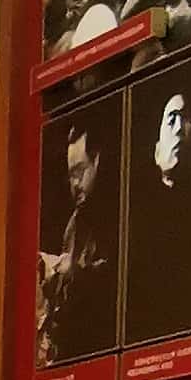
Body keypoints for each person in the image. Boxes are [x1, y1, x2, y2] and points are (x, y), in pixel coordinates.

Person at [123, 80, 191, 344]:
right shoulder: (137, 217)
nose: (179, 128)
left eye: (186, 120)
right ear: (156, 150)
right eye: (171, 120)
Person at [37, 121, 118, 364]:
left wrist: (70, 270)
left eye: (79, 171)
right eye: (70, 175)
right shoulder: (75, 223)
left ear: (97, 161)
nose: (74, 183)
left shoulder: (116, 214)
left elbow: (112, 281)